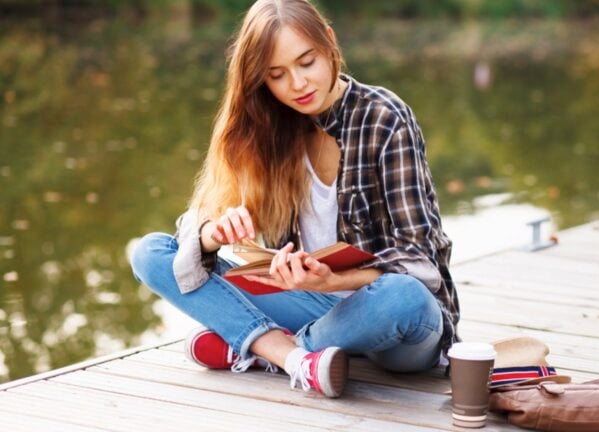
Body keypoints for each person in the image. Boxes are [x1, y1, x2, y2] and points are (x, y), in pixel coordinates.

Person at [130, 0, 459, 399]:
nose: (298, 84)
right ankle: (293, 357)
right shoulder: (269, 130)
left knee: (403, 296)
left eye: (307, 62)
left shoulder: (384, 118)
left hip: (395, 327)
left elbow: (420, 265)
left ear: (330, 45)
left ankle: (262, 348)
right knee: (151, 252)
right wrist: (212, 235)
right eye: (277, 75)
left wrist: (334, 279)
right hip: (314, 306)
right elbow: (192, 234)